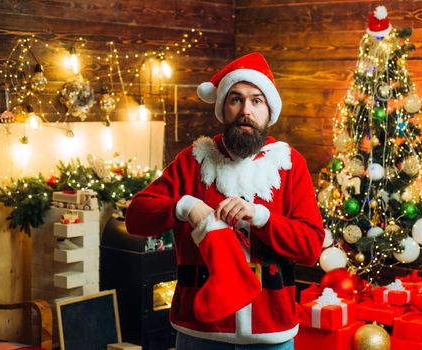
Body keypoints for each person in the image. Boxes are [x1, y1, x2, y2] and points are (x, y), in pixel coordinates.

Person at [125, 52, 325, 349]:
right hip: (200, 331)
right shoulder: (193, 160)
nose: (246, 110)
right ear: (223, 108)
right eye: (236, 99)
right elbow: (136, 217)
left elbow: (310, 247)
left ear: (269, 111)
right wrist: (185, 206)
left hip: (271, 331)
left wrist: (261, 217)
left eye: (257, 101)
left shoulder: (289, 164)